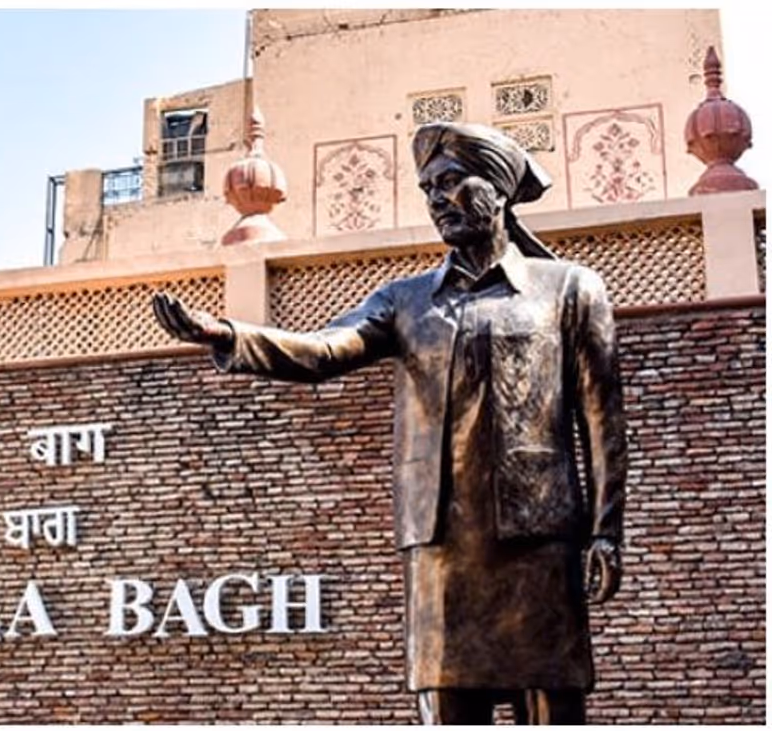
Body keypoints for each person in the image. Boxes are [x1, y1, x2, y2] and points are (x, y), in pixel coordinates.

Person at [152, 122, 627, 725]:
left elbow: (602, 421)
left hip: (538, 538)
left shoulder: (569, 290)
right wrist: (226, 334)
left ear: (500, 189)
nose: (437, 200)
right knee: (448, 707)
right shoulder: (406, 301)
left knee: (552, 703)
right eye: (428, 188)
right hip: (441, 546)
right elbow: (325, 350)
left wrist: (605, 532)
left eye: (451, 182)